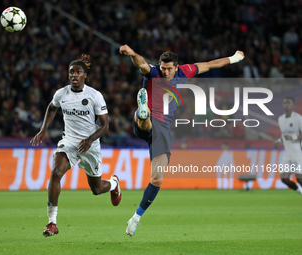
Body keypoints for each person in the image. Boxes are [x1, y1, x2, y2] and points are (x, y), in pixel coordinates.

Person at [119, 44, 244, 236]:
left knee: (157, 178)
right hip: (149, 121)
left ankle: (135, 219)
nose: (166, 72)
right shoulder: (153, 73)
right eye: (163, 68)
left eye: (169, 68)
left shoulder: (184, 72)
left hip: (163, 130)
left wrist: (234, 58)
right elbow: (141, 63)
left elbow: (210, 65)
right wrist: (132, 54)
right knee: (146, 120)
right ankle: (142, 112)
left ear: (177, 67)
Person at [30, 55, 122, 237]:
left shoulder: (95, 96)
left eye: (78, 72)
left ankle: (113, 184)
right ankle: (52, 223)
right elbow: (52, 107)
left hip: (91, 144)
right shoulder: (61, 94)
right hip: (69, 141)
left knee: (96, 189)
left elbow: (105, 126)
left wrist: (89, 140)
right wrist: (43, 129)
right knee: (56, 172)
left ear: (85, 76)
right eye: (71, 72)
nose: (74, 75)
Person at [274, 96, 302, 195]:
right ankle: (300, 192)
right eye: (285, 103)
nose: (287, 105)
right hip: (287, 154)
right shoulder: (280, 119)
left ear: (293, 105)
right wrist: (279, 140)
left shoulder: (298, 118)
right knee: (284, 179)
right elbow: (284, 135)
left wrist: (293, 138)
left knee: (299, 179)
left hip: (298, 153)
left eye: (289, 103)